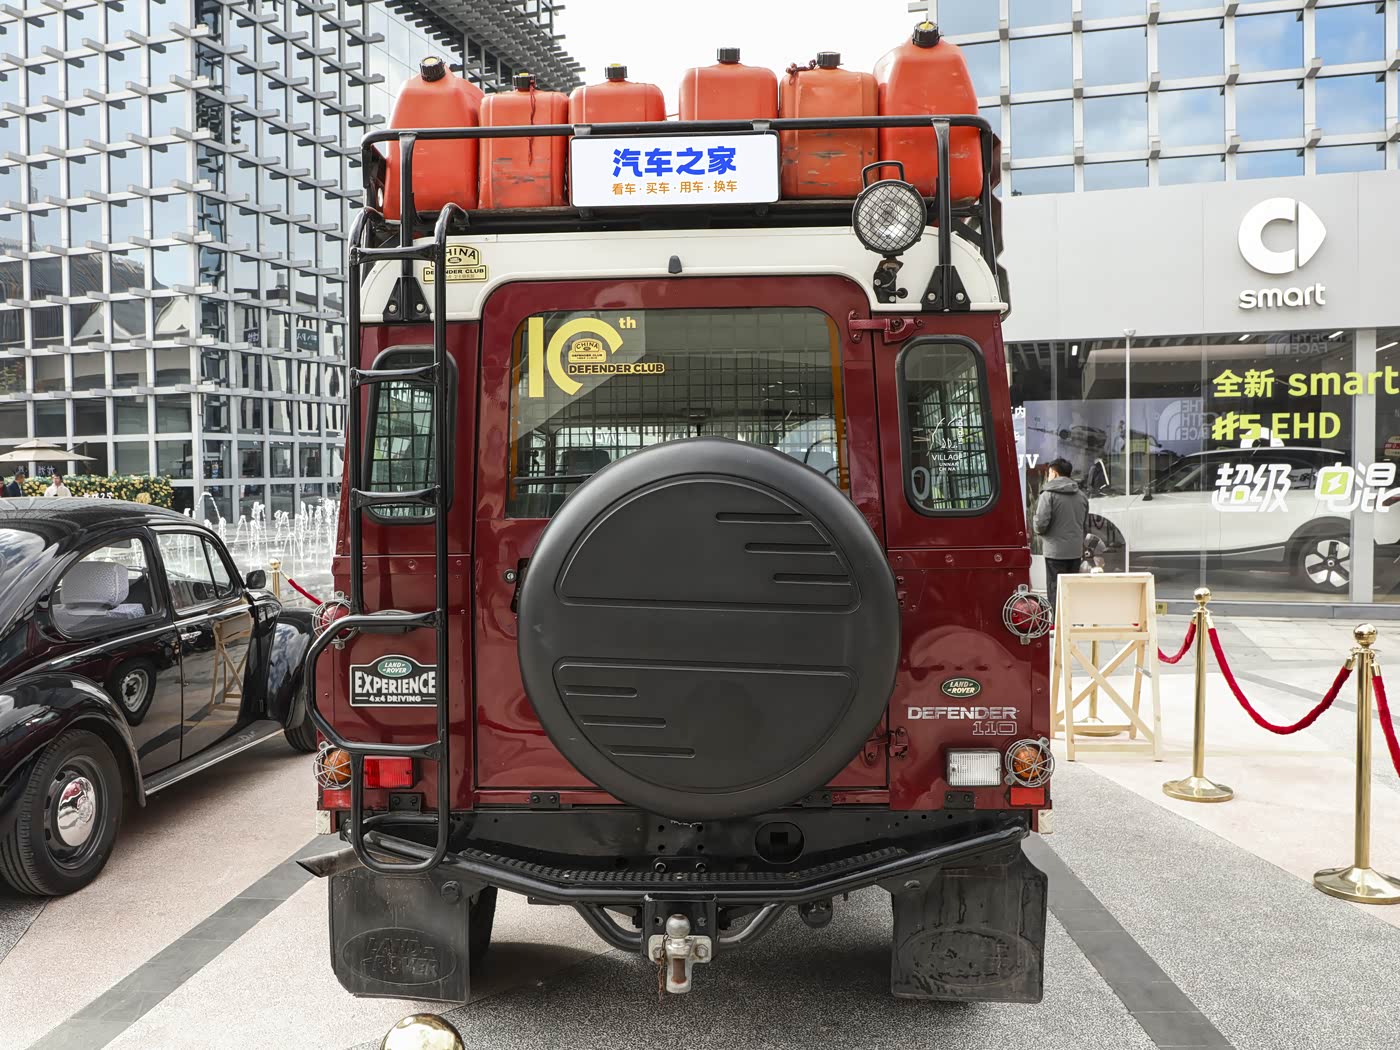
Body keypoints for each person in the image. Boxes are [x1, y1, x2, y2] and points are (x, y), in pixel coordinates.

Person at [1033, 457, 1090, 612]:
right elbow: (1084, 525)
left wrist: (1037, 528)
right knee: (1071, 590)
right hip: (1075, 551)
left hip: (1055, 552)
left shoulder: (1048, 495)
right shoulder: (1081, 496)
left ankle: (1057, 622)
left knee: (1055, 591)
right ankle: (1072, 621)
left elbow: (1040, 524)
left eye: (1049, 472)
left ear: (1055, 473)